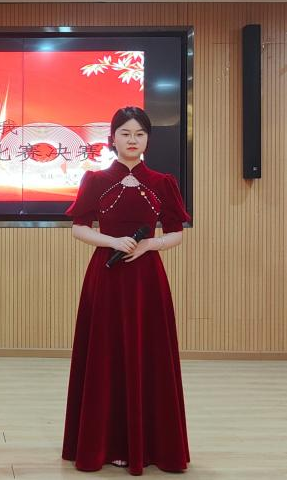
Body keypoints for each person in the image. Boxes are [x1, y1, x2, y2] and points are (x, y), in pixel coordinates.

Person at [62, 107, 190, 475]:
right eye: (125, 133)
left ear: (148, 139)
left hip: (147, 280)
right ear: (112, 138)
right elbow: (79, 228)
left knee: (150, 355)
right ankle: (105, 445)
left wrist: (150, 245)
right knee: (105, 356)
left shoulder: (163, 182)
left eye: (139, 134)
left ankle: (150, 447)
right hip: (107, 277)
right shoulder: (95, 179)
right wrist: (113, 241)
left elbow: (177, 233)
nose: (132, 140)